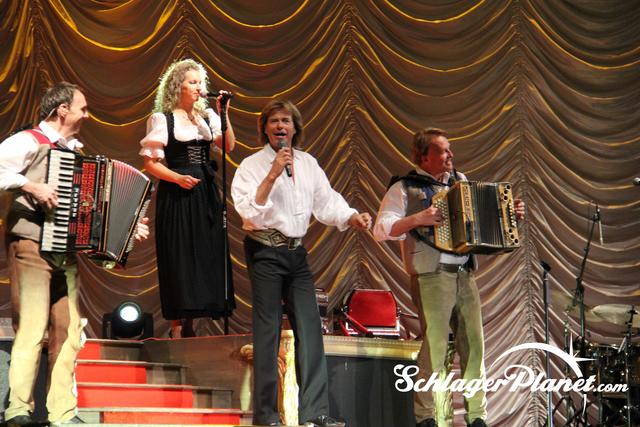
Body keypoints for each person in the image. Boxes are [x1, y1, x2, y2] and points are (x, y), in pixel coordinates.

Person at [0, 81, 150, 427]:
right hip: (31, 243)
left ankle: (63, 413)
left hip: (65, 252)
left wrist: (127, 233)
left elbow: (93, 219)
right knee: (32, 327)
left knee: (67, 333)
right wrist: (30, 185)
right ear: (62, 109)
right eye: (83, 108)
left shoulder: (76, 155)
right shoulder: (28, 141)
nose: (87, 115)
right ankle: (18, 410)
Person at [231, 100, 372, 427]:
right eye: (274, 121)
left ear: (295, 128)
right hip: (265, 250)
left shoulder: (308, 163)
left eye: (286, 121)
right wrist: (273, 173)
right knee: (267, 332)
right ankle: (266, 415)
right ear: (264, 128)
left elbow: (326, 201)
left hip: (296, 253)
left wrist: (351, 216)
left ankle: (315, 412)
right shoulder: (252, 165)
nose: (280, 126)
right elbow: (248, 212)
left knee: (310, 330)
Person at [373, 128, 525, 427]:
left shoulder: (461, 182)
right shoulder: (405, 187)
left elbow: (481, 223)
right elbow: (381, 230)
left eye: (449, 149)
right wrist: (418, 218)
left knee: (474, 345)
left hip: (464, 272)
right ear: (423, 156)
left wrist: (510, 216)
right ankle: (426, 416)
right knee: (435, 346)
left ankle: (477, 416)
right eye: (443, 150)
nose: (450, 155)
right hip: (431, 274)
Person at [140, 59, 236, 338]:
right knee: (180, 254)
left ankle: (194, 323)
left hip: (205, 192)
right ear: (177, 86)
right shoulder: (163, 119)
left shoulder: (207, 117)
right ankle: (177, 327)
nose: (198, 87)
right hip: (177, 193)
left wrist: (224, 113)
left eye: (200, 82)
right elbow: (150, 164)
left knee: (206, 253)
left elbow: (228, 146)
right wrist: (177, 178)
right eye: (192, 82)